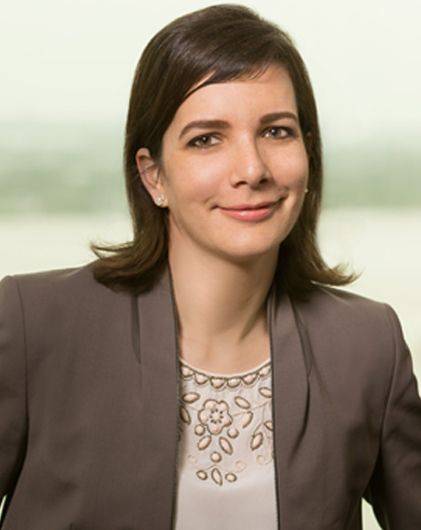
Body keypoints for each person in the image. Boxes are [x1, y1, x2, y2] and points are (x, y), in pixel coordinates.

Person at [1, 4, 420, 529]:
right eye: (206, 139)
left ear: (308, 154)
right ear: (153, 176)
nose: (252, 169)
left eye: (277, 131)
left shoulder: (368, 347)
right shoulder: (34, 324)